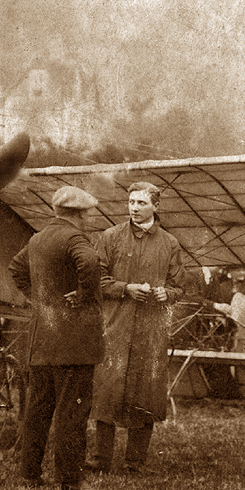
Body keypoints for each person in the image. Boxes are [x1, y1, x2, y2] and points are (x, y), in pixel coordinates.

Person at [10, 186, 105, 490]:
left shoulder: (37, 239)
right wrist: (85, 294)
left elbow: (16, 267)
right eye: (87, 213)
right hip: (73, 343)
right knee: (72, 411)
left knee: (37, 410)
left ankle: (29, 474)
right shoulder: (75, 237)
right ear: (78, 214)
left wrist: (37, 298)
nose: (89, 218)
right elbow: (90, 264)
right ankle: (69, 480)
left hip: (42, 340)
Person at [90, 182, 186, 474]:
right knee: (107, 389)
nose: (134, 208)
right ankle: (100, 458)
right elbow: (96, 279)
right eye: (131, 202)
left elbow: (179, 286)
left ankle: (136, 461)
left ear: (156, 207)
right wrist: (125, 288)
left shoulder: (170, 243)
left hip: (151, 330)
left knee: (145, 391)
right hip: (116, 326)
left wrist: (165, 294)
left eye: (141, 203)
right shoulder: (110, 237)